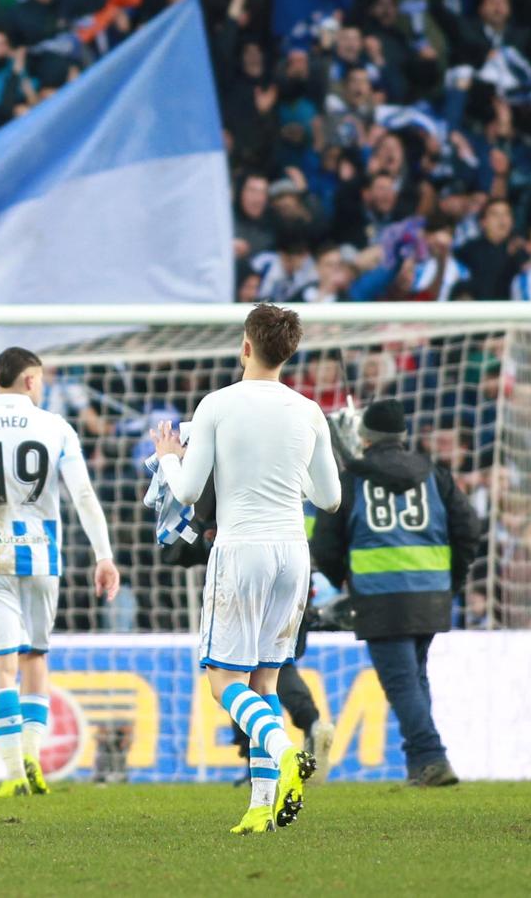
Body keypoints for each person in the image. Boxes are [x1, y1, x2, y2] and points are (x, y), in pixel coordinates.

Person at [149, 303, 341, 835]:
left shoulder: (218, 404)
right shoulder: (308, 411)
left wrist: (167, 454)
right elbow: (330, 498)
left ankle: (283, 753)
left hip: (242, 549)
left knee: (222, 682)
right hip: (292, 554)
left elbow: (187, 490)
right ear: (289, 352)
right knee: (266, 682)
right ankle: (260, 809)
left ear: (246, 346)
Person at [0, 347, 120, 797]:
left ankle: (14, 769)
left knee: (2, 665)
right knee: (36, 656)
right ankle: (33, 755)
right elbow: (83, 495)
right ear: (31, 380)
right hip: (42, 558)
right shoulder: (56, 427)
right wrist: (104, 556)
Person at [309, 399, 480, 787]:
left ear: (364, 438)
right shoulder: (435, 475)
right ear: (403, 436)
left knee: (402, 682)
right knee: (415, 679)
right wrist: (450, 580)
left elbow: (325, 545)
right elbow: (469, 528)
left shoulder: (352, 480)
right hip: (431, 593)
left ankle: (432, 757)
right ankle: (420, 765)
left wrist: (347, 580)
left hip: (380, 596)